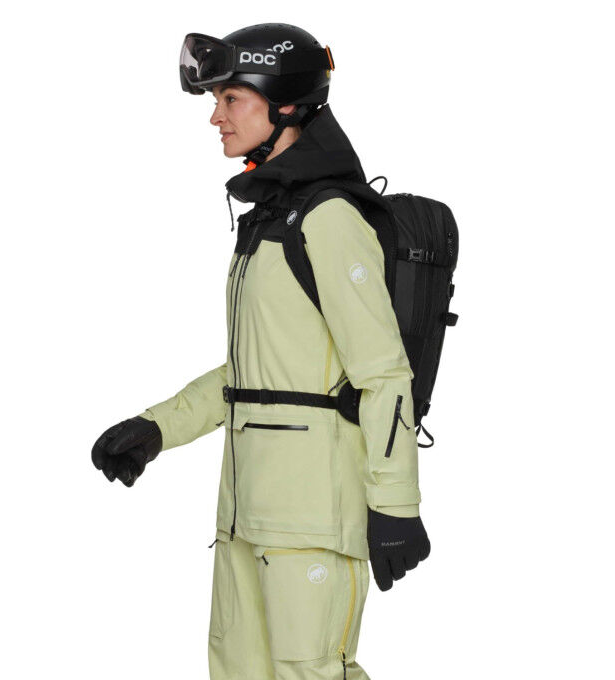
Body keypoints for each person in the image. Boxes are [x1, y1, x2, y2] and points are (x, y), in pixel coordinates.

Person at [92, 23, 430, 680]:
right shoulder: (269, 221)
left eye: (230, 99)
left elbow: (385, 373)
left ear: (285, 105)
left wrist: (396, 505)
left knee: (313, 672)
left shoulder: (329, 219)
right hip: (245, 516)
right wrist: (157, 428)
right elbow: (255, 372)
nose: (215, 117)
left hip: (312, 518)